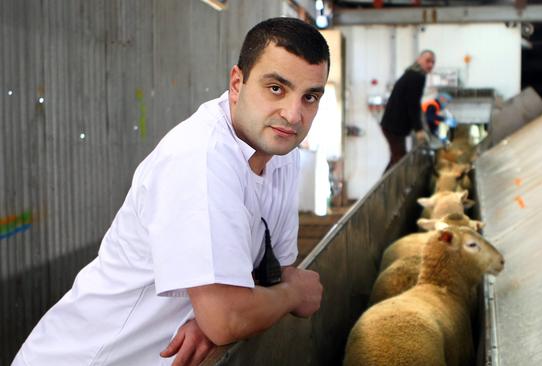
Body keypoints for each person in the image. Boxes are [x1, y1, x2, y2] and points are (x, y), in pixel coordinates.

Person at [13, 17, 329, 366]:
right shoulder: (200, 158)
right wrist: (289, 296)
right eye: (276, 89)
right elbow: (235, 315)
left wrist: (214, 317)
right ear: (237, 83)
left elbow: (270, 274)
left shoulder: (282, 156)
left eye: (310, 97)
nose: (293, 115)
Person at [380, 50, 436, 172]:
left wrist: (419, 127)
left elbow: (413, 104)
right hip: (394, 126)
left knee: (396, 158)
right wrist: (419, 129)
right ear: (419, 60)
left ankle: (387, 187)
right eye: (427, 61)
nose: (430, 65)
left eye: (433, 62)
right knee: (400, 160)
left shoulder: (413, 72)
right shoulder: (417, 76)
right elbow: (413, 104)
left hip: (393, 125)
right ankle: (391, 189)